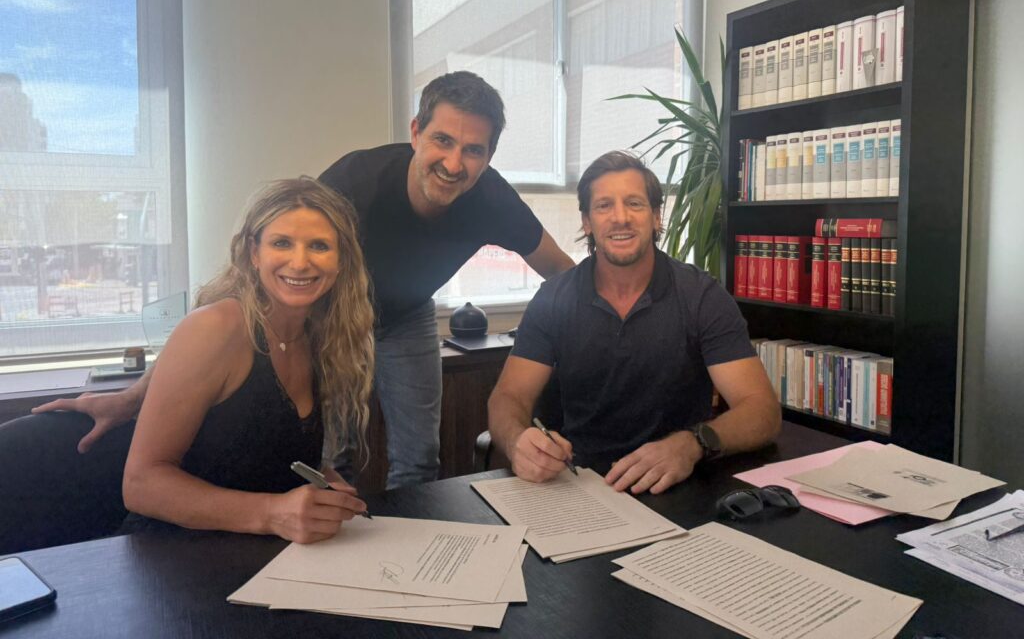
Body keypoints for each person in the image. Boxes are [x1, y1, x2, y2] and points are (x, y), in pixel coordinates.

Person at [36, 71, 574, 489]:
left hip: (408, 315)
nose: (454, 163)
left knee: (420, 457)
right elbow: (244, 289)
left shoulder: (494, 200)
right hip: (331, 318)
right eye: (442, 140)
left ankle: (417, 562)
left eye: (473, 150)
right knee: (329, 457)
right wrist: (136, 397)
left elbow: (564, 276)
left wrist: (588, 337)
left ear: (489, 157)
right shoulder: (355, 183)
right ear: (415, 133)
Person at [487, 150, 781, 496]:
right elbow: (508, 398)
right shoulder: (554, 299)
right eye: (604, 206)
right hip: (578, 485)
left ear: (656, 217)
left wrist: (693, 444)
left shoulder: (701, 296)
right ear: (587, 222)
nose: (620, 218)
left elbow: (762, 410)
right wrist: (517, 441)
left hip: (675, 484)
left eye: (634, 204)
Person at [120, 177, 375, 542]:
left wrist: (322, 483)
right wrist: (273, 514)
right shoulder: (216, 327)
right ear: (254, 253)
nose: (300, 262)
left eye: (319, 246)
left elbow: (267, 453)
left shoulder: (321, 336)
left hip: (265, 551)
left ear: (340, 261)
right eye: (281, 243)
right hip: (174, 551)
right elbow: (141, 484)